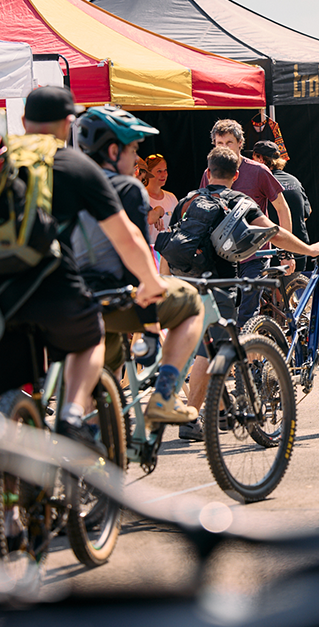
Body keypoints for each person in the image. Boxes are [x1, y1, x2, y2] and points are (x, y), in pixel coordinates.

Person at [0, 86, 168, 449]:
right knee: (90, 338)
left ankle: (2, 468)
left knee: (1, 398)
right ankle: (71, 415)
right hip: (50, 285)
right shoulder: (74, 165)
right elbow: (126, 236)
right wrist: (150, 282)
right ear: (68, 123)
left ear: (23, 121)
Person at [179, 146, 319, 441]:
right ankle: (192, 416)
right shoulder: (239, 201)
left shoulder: (188, 200)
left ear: (207, 173)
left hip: (186, 281)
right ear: (236, 176)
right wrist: (309, 249)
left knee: (210, 347)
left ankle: (222, 410)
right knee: (212, 350)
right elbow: (275, 232)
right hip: (220, 283)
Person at [71, 107, 203, 423]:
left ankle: (95, 432)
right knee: (191, 303)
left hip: (76, 303)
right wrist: (150, 326)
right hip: (116, 297)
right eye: (132, 151)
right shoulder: (128, 188)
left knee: (104, 381)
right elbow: (136, 256)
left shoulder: (68, 186)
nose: (136, 162)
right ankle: (165, 396)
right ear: (113, 151)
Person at [199, 119, 291, 323]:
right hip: (223, 254)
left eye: (229, 143)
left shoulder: (258, 171)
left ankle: (251, 342)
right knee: (223, 312)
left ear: (240, 143)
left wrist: (286, 252)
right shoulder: (210, 173)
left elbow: (282, 208)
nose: (224, 148)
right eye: (219, 144)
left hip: (255, 253)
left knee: (247, 313)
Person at [252, 139, 312, 272]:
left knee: (274, 285)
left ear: (260, 159)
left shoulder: (260, 183)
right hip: (299, 247)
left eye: (254, 157)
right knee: (298, 284)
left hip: (275, 250)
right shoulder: (294, 181)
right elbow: (307, 212)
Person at [141, 153, 178, 246]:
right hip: (148, 250)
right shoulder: (140, 197)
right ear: (148, 173)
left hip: (168, 250)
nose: (164, 175)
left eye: (165, 170)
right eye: (159, 171)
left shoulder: (171, 198)